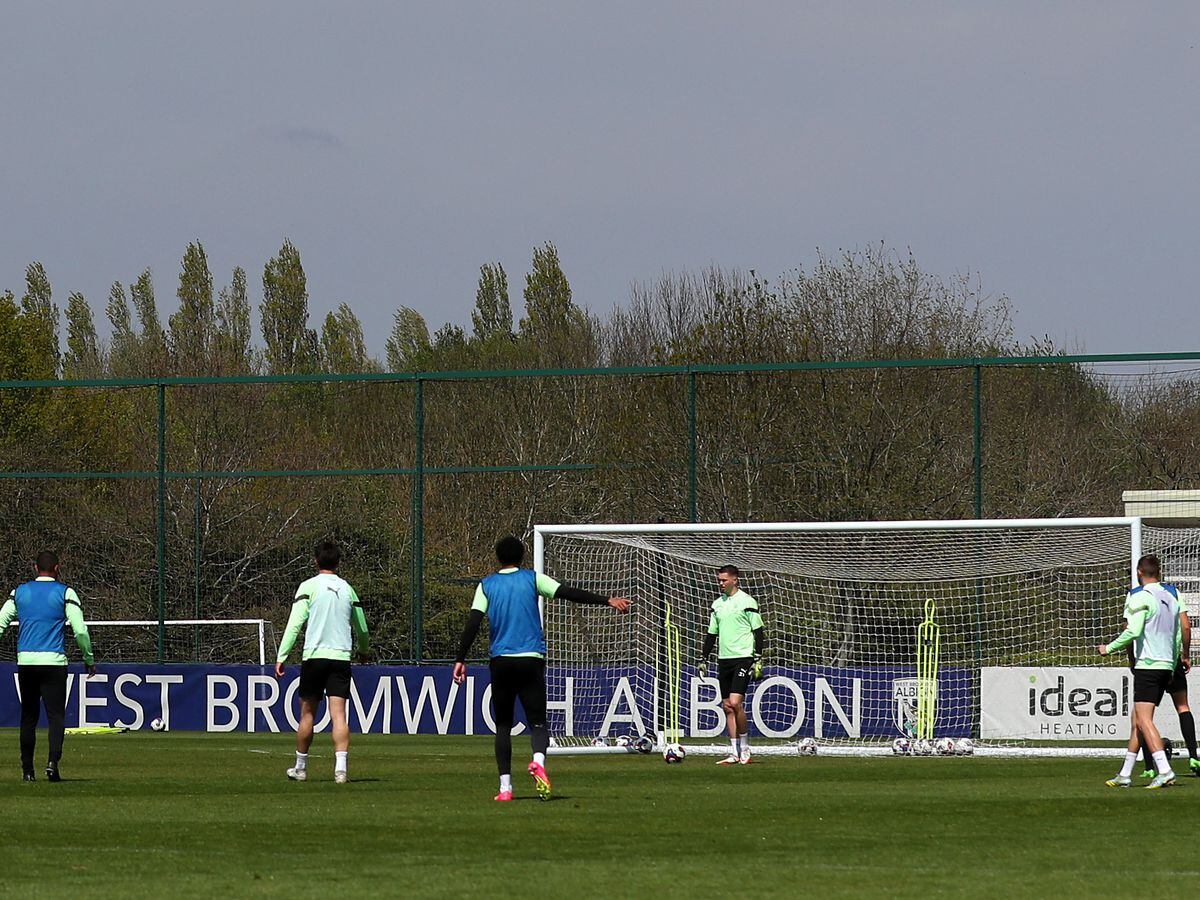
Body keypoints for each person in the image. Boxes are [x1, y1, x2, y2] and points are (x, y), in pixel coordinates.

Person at [453, 535, 631, 802]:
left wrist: (460, 658)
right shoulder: (532, 578)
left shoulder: (486, 584)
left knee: (503, 725)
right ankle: (538, 761)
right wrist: (607, 600)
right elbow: (568, 592)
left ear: (498, 558)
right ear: (522, 557)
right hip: (530, 659)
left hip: (501, 660)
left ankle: (505, 789)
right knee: (538, 722)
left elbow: (473, 623)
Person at [274, 540, 370, 784]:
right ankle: (341, 770)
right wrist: (363, 650)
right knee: (339, 715)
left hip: (314, 657)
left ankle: (301, 768)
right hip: (339, 657)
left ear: (316, 561)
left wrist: (282, 656)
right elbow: (362, 628)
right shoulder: (348, 589)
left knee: (307, 714)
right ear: (338, 562)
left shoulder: (308, 587)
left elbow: (295, 624)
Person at [0, 551, 95, 782]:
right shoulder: (65, 592)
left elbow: (1, 621)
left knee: (28, 717)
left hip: (27, 662)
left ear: (35, 568)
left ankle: (27, 771)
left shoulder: (19, 592)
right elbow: (80, 629)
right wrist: (88, 658)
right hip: (53, 662)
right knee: (55, 716)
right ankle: (52, 763)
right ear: (57, 568)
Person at [1099, 554, 1181, 789]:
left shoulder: (1140, 597)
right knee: (1138, 720)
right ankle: (1125, 774)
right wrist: (1173, 662)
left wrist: (1109, 648)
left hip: (1148, 666)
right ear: (1159, 573)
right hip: (1166, 665)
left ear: (1139, 572)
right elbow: (1176, 635)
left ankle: (1164, 769)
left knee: (1144, 721)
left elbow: (1133, 631)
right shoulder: (1171, 598)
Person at [697, 564, 765, 765]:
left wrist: (758, 658)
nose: (721, 583)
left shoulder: (747, 601)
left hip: (743, 657)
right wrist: (703, 658)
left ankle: (745, 748)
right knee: (727, 707)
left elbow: (758, 631)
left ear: (735, 579)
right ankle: (734, 752)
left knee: (735, 703)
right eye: (719, 580)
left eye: (724, 580)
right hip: (723, 659)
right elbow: (712, 634)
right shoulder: (717, 604)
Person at [1132, 583, 1199, 778]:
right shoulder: (1172, 592)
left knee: (1144, 716)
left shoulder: (1137, 594)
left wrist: (1132, 659)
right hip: (1173, 660)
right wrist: (1185, 654)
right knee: (1183, 707)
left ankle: (1149, 767)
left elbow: (1129, 628)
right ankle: (1194, 757)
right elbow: (1186, 626)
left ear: (1139, 573)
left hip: (1150, 663)